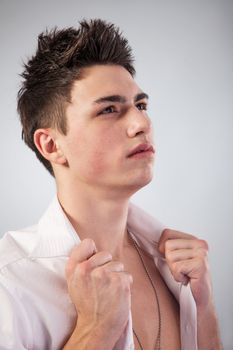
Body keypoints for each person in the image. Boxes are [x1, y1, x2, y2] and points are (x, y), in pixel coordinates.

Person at [0, 19, 222, 350]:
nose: (141, 123)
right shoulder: (10, 281)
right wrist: (94, 328)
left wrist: (202, 311)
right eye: (109, 109)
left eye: (141, 105)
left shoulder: (176, 266)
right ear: (51, 145)